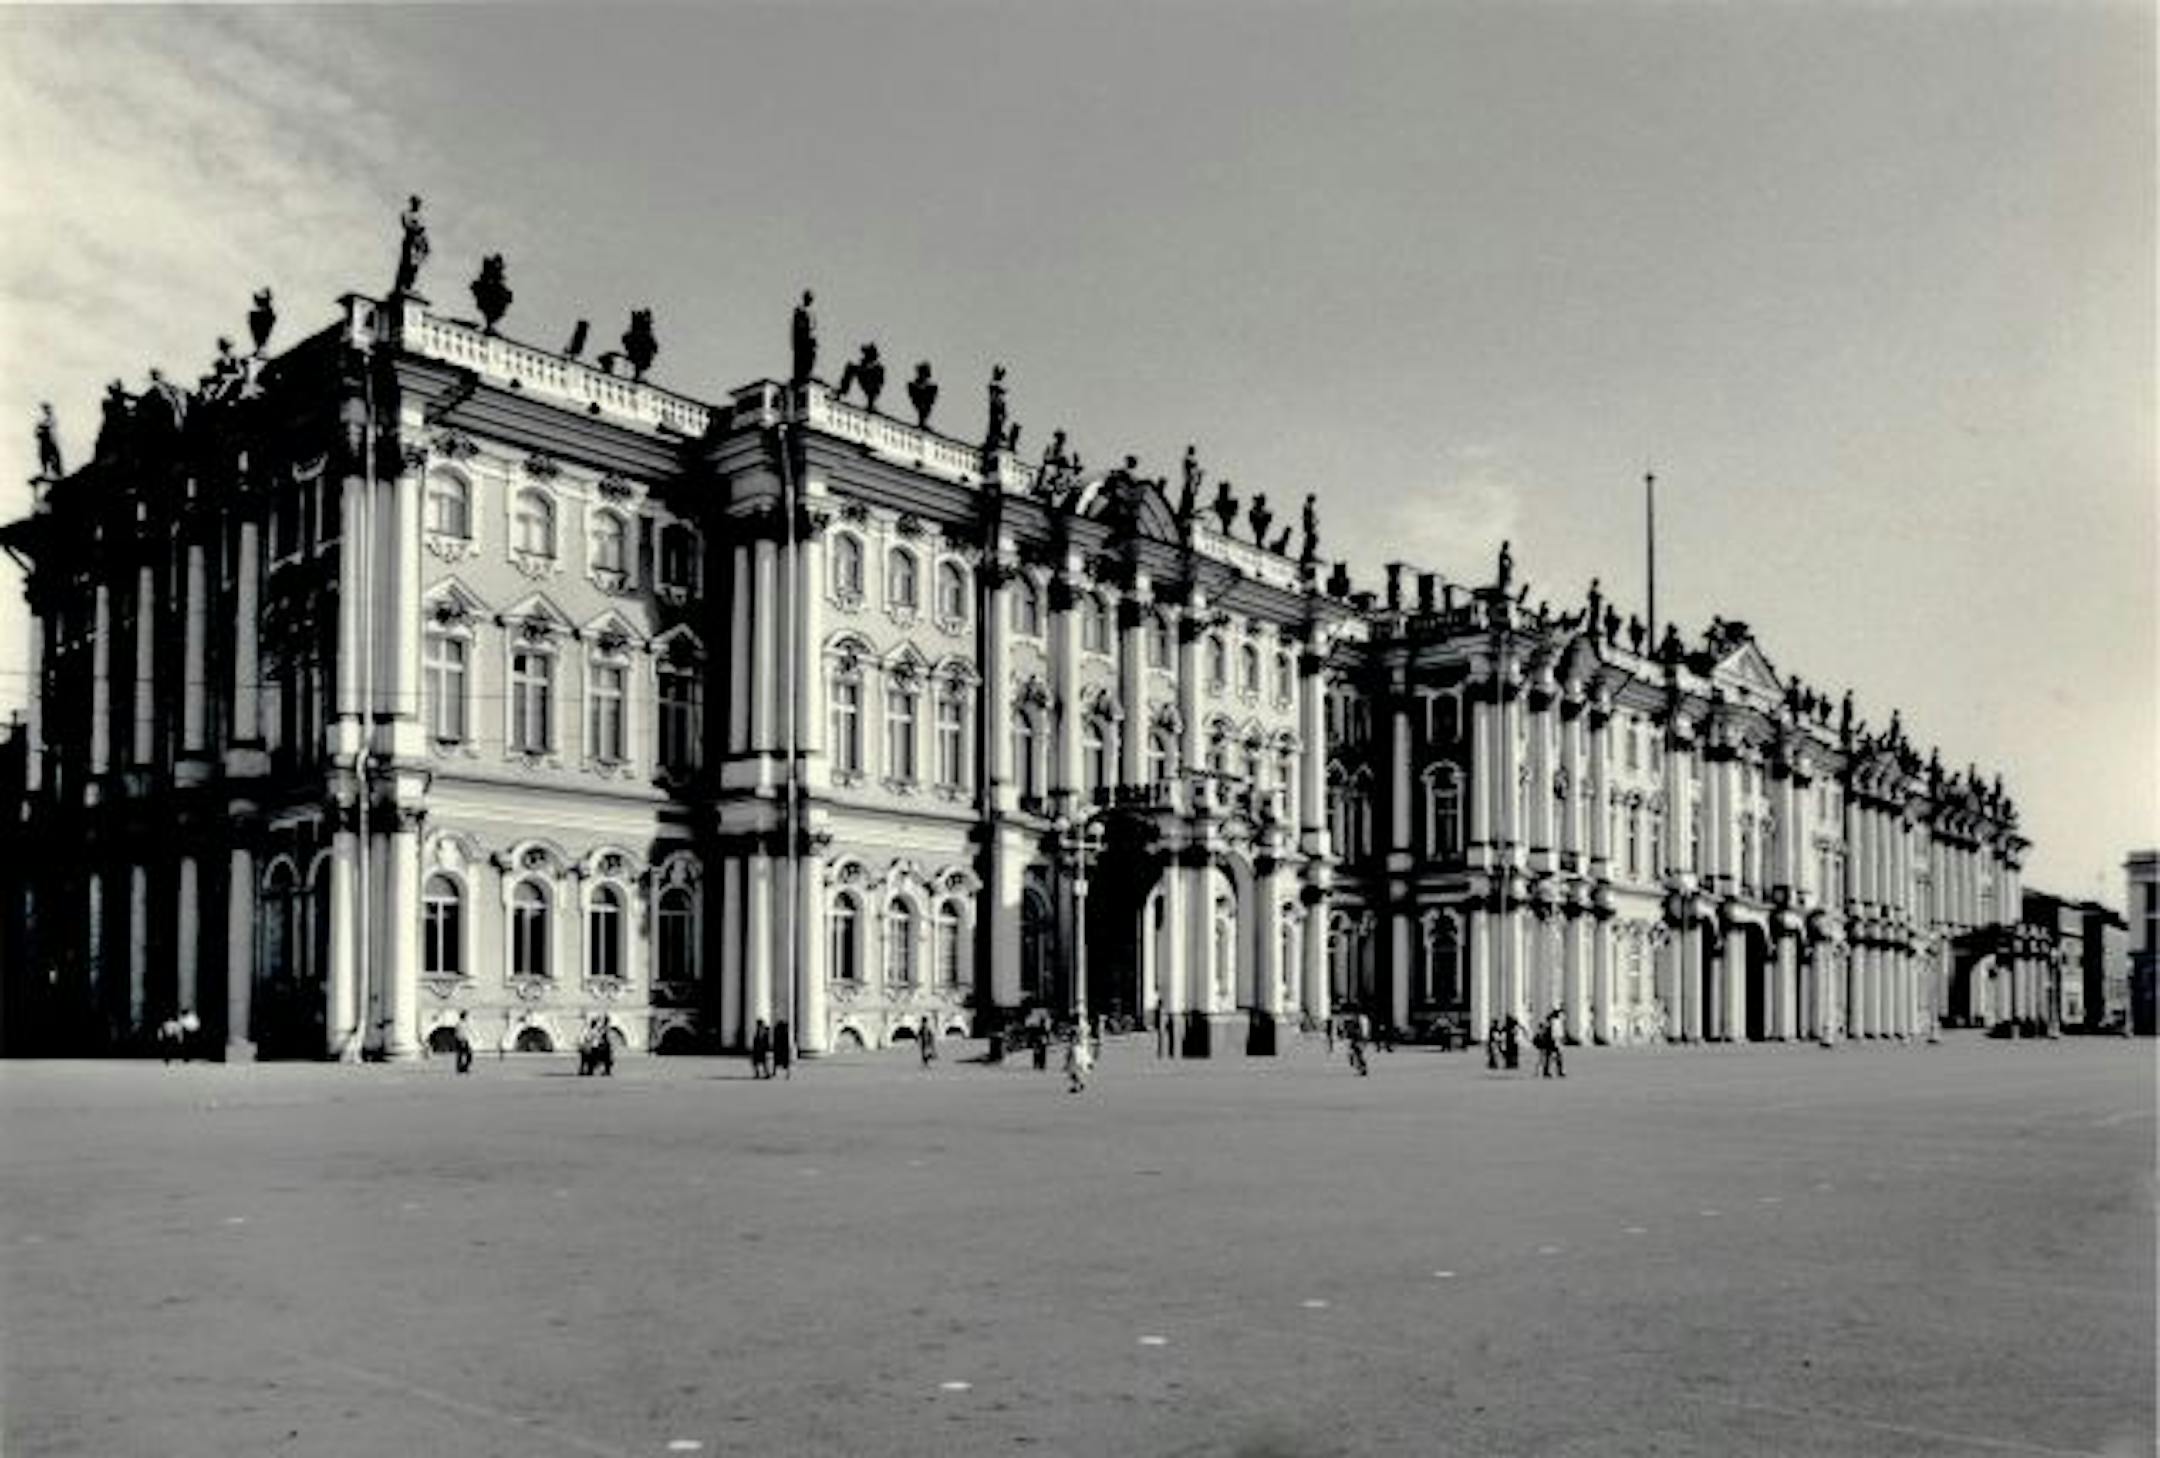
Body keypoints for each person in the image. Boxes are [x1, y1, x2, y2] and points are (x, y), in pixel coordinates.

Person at [1064, 1025, 1094, 1093]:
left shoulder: (1075, 1044)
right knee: (1073, 1073)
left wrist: (1068, 1061)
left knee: (1073, 1073)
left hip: (1076, 1058)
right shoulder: (1079, 1042)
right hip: (1078, 1057)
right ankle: (1080, 1084)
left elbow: (1071, 1053)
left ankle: (1078, 1085)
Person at [1345, 1008, 1370, 1076]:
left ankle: (1361, 1069)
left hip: (1358, 1039)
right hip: (1359, 1039)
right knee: (1357, 1054)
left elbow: (1361, 1030)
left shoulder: (1360, 1019)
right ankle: (1361, 1068)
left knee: (1357, 1054)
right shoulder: (1363, 1019)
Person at [453, 1011, 474, 1075]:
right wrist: (462, 1040)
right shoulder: (460, 1024)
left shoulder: (463, 1023)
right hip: (461, 1040)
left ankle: (462, 1068)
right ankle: (462, 1068)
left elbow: (456, 1033)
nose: (467, 1017)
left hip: (463, 1040)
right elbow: (458, 1033)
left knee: (464, 1055)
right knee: (464, 1055)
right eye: (466, 1016)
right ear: (464, 1016)